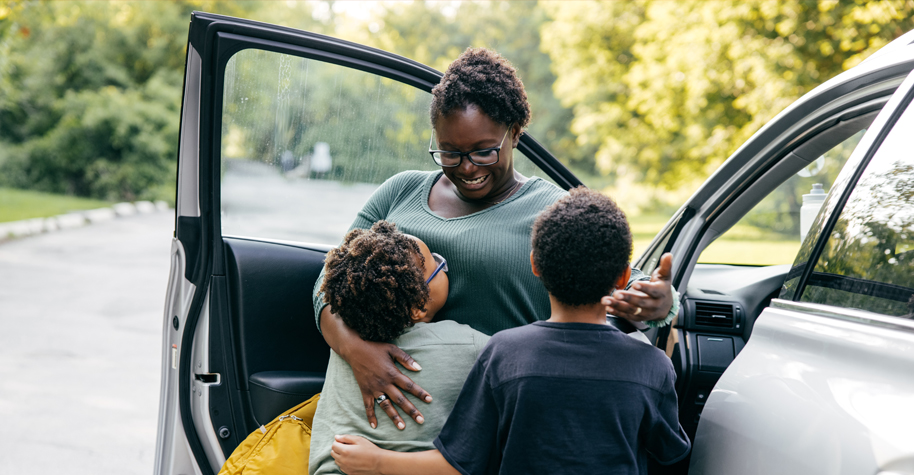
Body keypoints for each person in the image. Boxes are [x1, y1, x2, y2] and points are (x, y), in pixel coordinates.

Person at [312, 47, 680, 430]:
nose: (467, 168)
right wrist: (356, 352)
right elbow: (329, 281)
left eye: (484, 151)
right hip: (396, 419)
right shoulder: (400, 191)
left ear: (515, 134)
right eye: (450, 153)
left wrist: (660, 302)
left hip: (497, 417)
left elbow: (622, 281)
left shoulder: (551, 207)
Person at [329, 187, 691, 475]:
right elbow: (670, 453)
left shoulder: (505, 353)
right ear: (624, 278)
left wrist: (376, 462)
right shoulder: (652, 366)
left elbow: (461, 461)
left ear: (534, 264)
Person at [309, 221, 489, 475]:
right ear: (419, 308)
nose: (442, 265)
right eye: (436, 264)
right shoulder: (469, 345)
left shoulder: (342, 348)